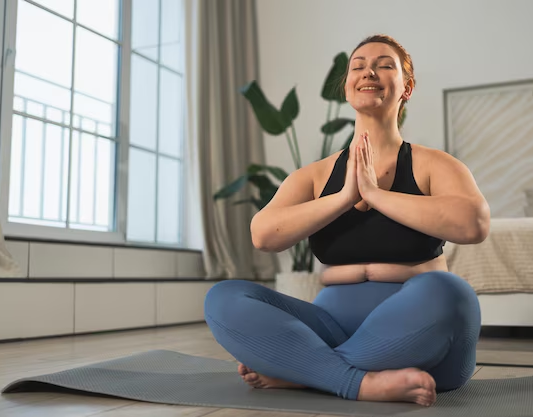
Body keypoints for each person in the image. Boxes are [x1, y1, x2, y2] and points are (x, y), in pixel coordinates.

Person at [204, 34, 490, 407]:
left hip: (425, 335)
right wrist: (343, 198)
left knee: (451, 291)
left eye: (385, 65)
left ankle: (306, 374)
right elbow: (263, 234)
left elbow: (473, 224)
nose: (368, 71)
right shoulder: (316, 176)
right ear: (348, 87)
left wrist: (376, 195)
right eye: (358, 66)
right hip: (331, 327)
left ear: (407, 88)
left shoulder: (433, 164)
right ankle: (360, 382)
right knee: (223, 298)